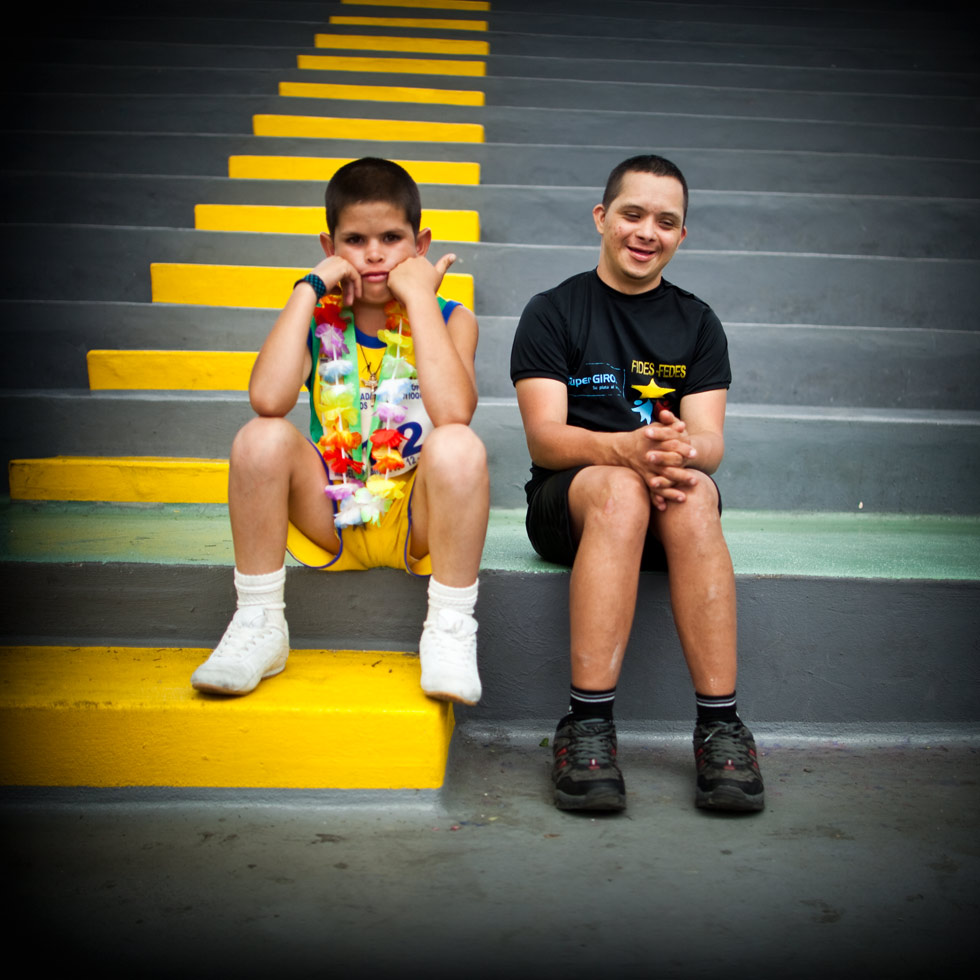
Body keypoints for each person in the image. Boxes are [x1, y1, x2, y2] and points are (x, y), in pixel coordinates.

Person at [509, 154, 764, 812]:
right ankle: (588, 723)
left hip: (664, 502)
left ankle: (720, 727)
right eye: (633, 213)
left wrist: (682, 447)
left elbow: (711, 441)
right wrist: (624, 450)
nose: (647, 230)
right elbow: (545, 436)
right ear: (602, 218)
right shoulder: (553, 311)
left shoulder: (698, 322)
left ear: (682, 236)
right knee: (622, 490)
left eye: (666, 220)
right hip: (570, 504)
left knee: (696, 490)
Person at [192, 157, 488, 706]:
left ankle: (449, 629)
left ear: (420, 244)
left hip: (415, 518)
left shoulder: (452, 318)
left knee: (460, 446)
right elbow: (268, 398)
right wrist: (309, 289)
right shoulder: (317, 314)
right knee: (259, 437)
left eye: (392, 238)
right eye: (355, 239)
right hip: (329, 508)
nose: (375, 254)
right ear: (330, 246)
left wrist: (420, 298)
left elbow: (453, 414)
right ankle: (259, 622)